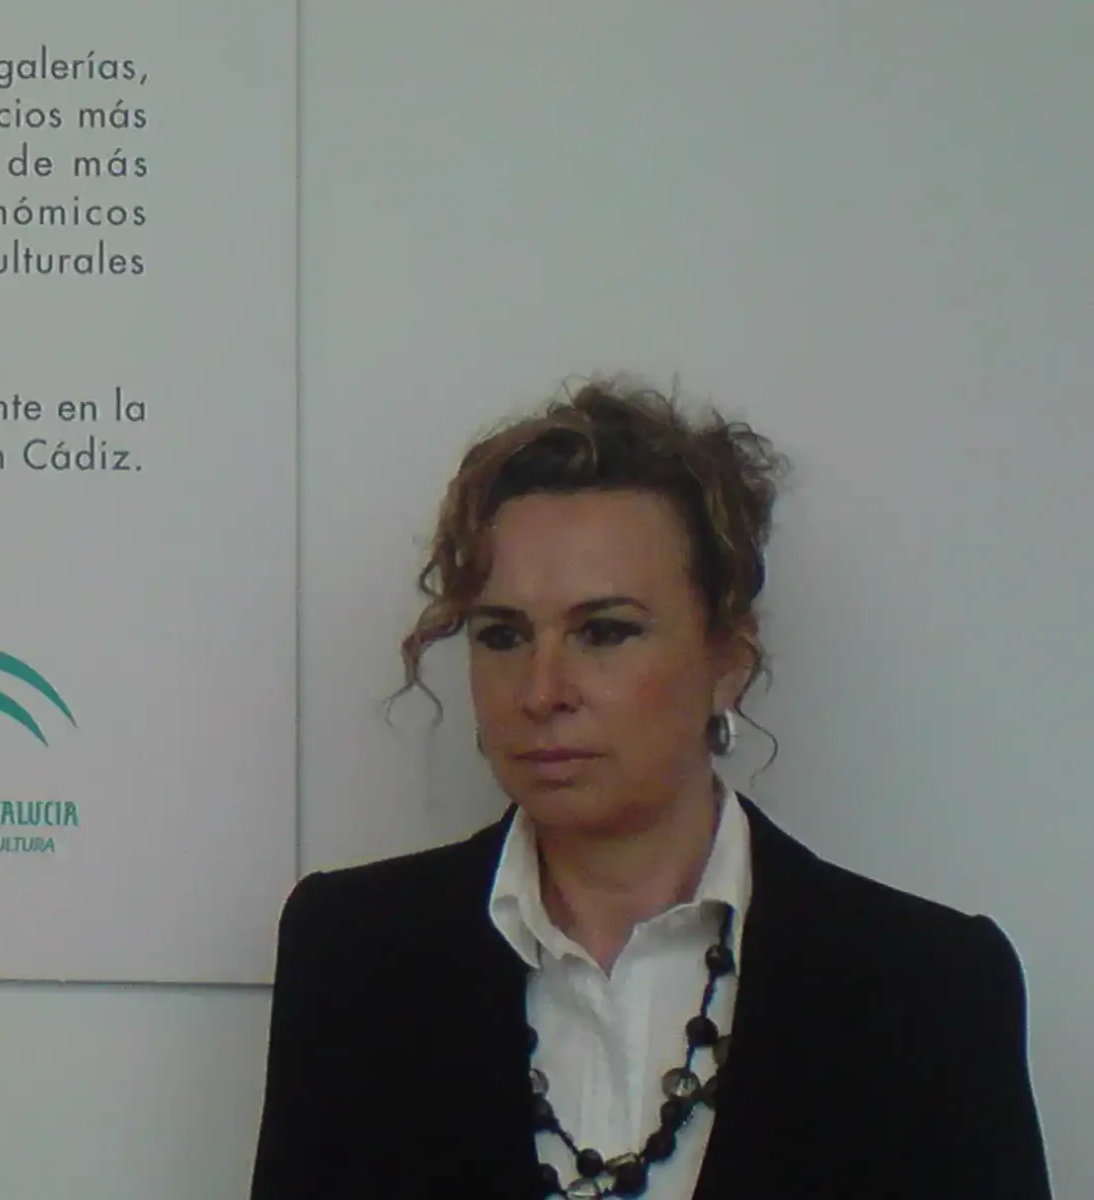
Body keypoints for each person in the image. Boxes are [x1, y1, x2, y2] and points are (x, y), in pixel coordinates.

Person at [250, 379, 1049, 1199]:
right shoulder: (354, 953)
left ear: (728, 660)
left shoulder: (929, 986)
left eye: (605, 631)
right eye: (503, 635)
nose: (541, 691)